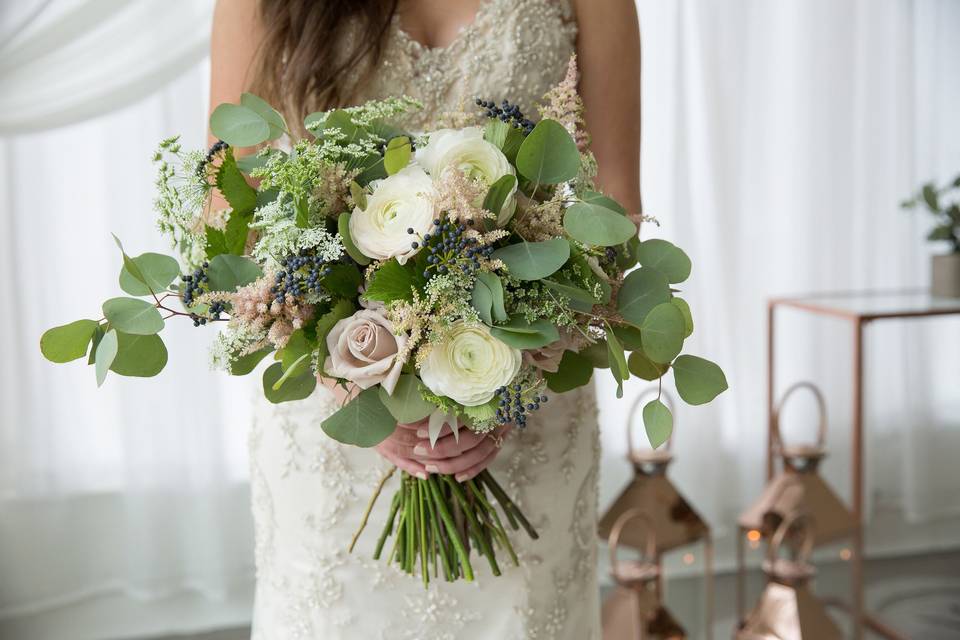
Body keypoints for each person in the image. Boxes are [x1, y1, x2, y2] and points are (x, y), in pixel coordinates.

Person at [209, 1, 641, 637]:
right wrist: (353, 388)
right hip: (331, 420)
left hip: (531, 415)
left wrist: (510, 386)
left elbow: (618, 208)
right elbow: (227, 215)